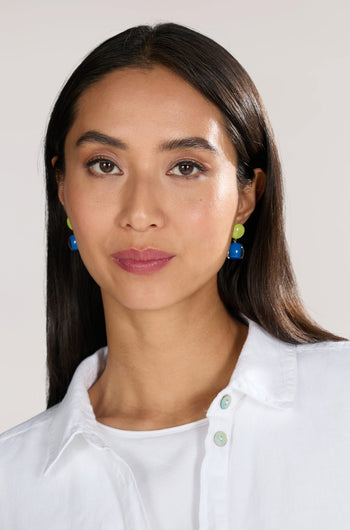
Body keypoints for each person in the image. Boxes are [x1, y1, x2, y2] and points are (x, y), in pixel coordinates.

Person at [0, 22, 349, 530]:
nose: (140, 213)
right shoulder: (12, 486)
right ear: (62, 189)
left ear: (246, 196)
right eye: (104, 165)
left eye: (185, 167)